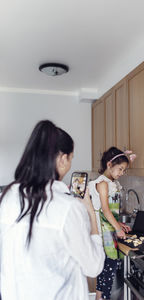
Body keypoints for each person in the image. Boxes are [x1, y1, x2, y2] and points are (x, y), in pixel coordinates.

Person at [0, 120, 105, 300]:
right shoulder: (68, 207)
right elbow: (94, 266)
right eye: (71, 158)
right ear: (63, 159)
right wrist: (90, 212)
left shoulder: (7, 197)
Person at [89, 147, 136, 300]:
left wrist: (119, 225)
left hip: (107, 231)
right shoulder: (103, 183)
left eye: (124, 170)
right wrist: (118, 228)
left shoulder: (109, 183)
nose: (122, 173)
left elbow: (111, 212)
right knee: (108, 270)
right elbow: (105, 210)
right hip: (103, 235)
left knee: (104, 272)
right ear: (109, 165)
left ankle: (99, 297)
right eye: (120, 169)